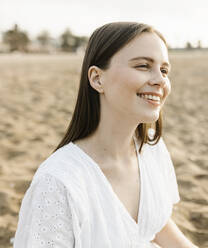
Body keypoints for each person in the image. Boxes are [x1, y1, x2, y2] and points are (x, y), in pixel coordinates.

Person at [13, 22, 198, 248]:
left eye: (164, 70)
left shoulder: (151, 148)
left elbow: (157, 225)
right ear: (97, 79)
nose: (160, 80)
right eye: (143, 65)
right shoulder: (58, 184)